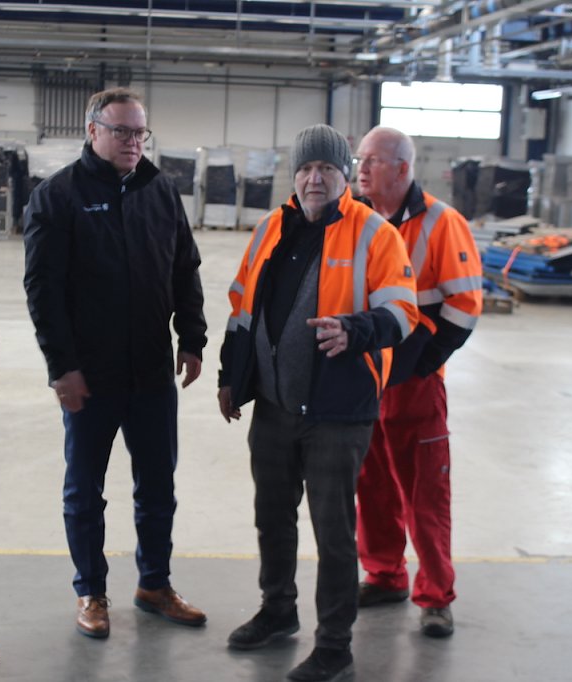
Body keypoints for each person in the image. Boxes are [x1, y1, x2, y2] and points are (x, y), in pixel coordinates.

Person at [218, 123, 418, 682]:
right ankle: (278, 610)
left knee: (333, 533)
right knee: (272, 517)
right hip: (275, 406)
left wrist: (355, 330)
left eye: (327, 168)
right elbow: (242, 307)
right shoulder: (270, 228)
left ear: (344, 175)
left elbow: (403, 313)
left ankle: (334, 645)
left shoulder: (374, 233)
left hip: (337, 410)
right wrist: (232, 376)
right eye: (306, 168)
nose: (314, 179)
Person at [22, 87, 208, 639]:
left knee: (158, 485)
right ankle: (90, 591)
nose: (133, 142)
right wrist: (62, 366)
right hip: (90, 374)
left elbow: (185, 268)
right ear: (93, 131)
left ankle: (155, 584)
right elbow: (43, 290)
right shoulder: (58, 196)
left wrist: (192, 338)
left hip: (150, 369)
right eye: (121, 131)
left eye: (140, 132)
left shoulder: (160, 190)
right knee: (85, 489)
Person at [352, 126, 483, 638]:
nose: (362, 169)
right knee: (372, 485)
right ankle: (385, 575)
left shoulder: (442, 222)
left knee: (425, 491)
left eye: (373, 161)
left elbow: (465, 304)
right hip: (365, 378)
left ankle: (435, 595)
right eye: (360, 160)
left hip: (416, 385)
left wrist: (423, 364)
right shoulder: (356, 219)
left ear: (403, 168)